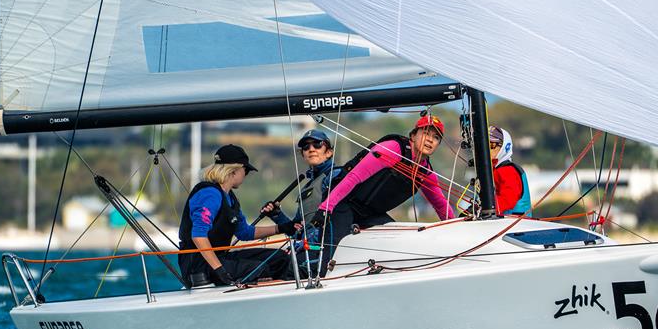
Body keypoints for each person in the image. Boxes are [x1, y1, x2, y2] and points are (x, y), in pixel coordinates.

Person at [310, 114, 455, 267]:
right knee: (333, 255)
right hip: (343, 204)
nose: (430, 140)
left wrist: (456, 228)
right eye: (425, 133)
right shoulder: (393, 148)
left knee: (395, 241)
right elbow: (354, 177)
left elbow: (441, 205)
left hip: (370, 214)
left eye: (436, 137)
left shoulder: (426, 172)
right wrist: (326, 207)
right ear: (413, 135)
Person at [178, 144, 300, 288]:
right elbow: (198, 236)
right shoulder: (209, 194)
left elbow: (244, 232)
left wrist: (282, 227)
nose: (245, 175)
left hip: (220, 258)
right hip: (199, 266)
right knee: (259, 269)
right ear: (234, 171)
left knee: (279, 259)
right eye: (246, 170)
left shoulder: (230, 198)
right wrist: (219, 270)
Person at [260, 129, 342, 276]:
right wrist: (277, 215)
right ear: (303, 154)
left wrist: (305, 242)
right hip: (308, 248)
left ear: (328, 152)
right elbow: (297, 230)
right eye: (306, 147)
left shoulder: (335, 176)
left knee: (286, 271)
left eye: (317, 144)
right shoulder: (306, 187)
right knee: (268, 265)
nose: (311, 149)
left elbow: (338, 217)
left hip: (328, 251)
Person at [489, 126, 531, 216]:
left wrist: (485, 207)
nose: (487, 150)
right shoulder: (492, 170)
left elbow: (507, 201)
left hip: (517, 226)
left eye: (492, 146)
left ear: (505, 147)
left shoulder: (508, 171)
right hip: (499, 224)